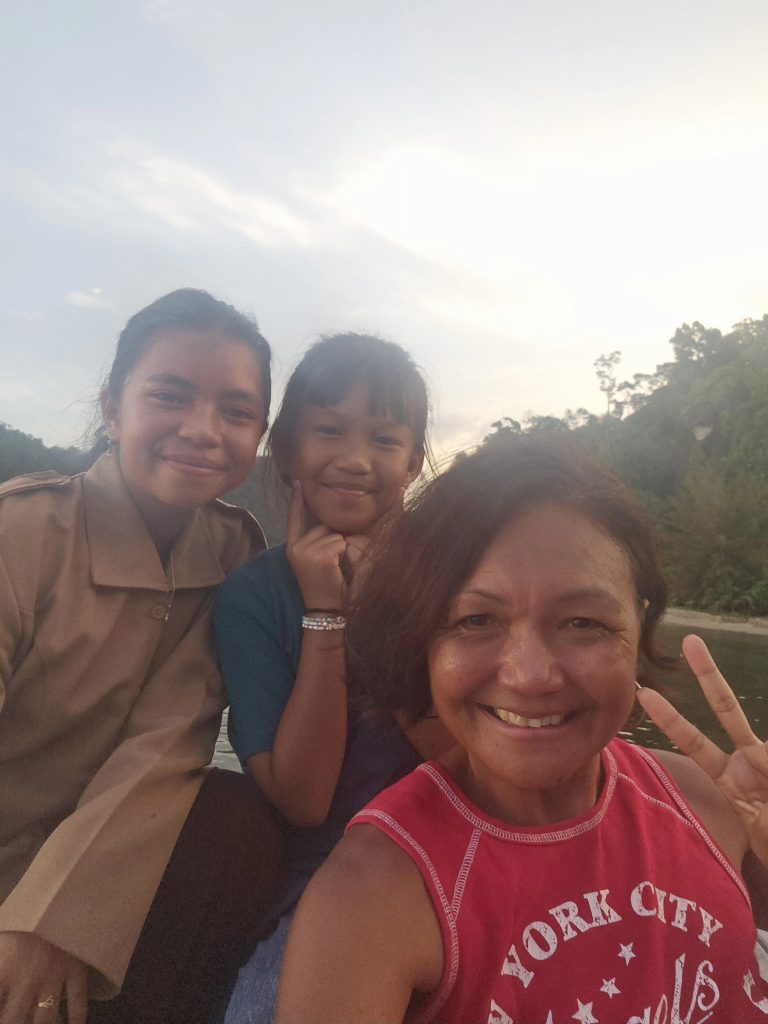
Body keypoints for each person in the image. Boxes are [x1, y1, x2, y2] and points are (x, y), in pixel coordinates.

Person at [276, 435, 768, 1023]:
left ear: (638, 627)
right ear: (422, 640)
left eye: (583, 622)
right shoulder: (375, 895)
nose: (531, 676)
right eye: (475, 620)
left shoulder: (711, 803)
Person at [0, 289, 283, 1024]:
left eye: (236, 411)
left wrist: (55, 918)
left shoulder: (232, 552)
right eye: (170, 396)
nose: (202, 430)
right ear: (112, 406)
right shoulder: (20, 538)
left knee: (239, 821)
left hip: (102, 885)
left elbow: (172, 738)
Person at [214, 333, 451, 1023]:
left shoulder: (455, 582)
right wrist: (326, 612)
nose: (354, 459)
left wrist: (385, 616)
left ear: (412, 461)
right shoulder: (252, 596)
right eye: (328, 431)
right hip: (325, 873)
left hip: (461, 850)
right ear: (287, 451)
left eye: (383, 438)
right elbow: (304, 801)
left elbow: (468, 762)